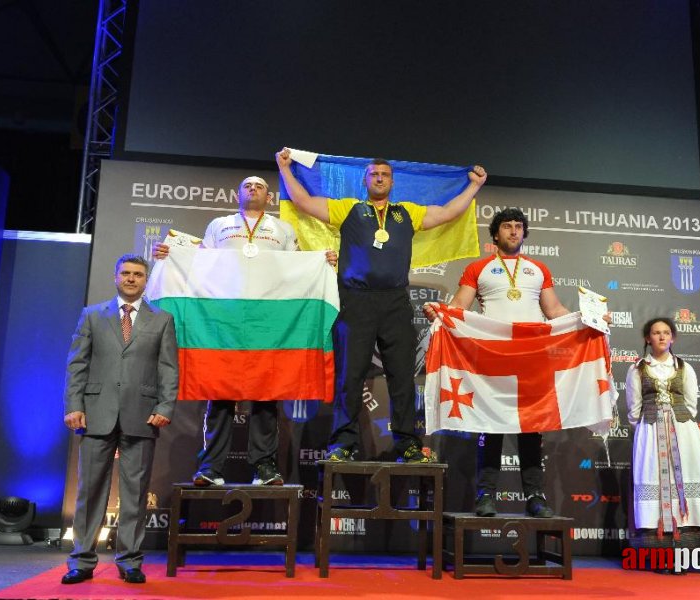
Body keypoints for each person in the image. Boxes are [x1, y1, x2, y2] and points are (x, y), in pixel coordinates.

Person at [276, 147, 486, 462]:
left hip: (395, 302)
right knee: (350, 375)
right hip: (355, 301)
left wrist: (474, 186)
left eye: (384, 175)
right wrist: (285, 169)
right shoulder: (348, 208)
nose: (379, 178)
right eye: (374, 174)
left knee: (402, 375)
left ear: (392, 181)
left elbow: (446, 213)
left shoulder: (407, 212)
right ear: (365, 180)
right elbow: (304, 202)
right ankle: (343, 444)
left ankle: (407, 444)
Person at [154, 176, 336, 488]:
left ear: (269, 197)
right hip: (225, 321)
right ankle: (211, 468)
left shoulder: (283, 229)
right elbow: (201, 264)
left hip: (268, 320)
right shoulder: (219, 225)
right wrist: (169, 256)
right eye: (247, 186)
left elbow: (296, 269)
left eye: (260, 186)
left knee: (267, 394)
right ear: (238, 194)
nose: (253, 189)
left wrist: (322, 262)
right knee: (220, 394)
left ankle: (265, 468)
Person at [422, 208, 576, 517]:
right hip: (492, 360)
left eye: (519, 226)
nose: (514, 231)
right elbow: (459, 308)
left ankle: (535, 497)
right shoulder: (478, 268)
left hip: (532, 359)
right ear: (496, 234)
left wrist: (589, 321)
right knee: (489, 426)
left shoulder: (538, 269)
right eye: (507, 226)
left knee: (532, 430)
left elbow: (555, 310)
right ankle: (485, 496)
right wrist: (439, 312)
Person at [62, 254, 178, 585]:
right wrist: (74, 404)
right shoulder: (92, 315)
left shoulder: (163, 319)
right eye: (125, 273)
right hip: (95, 413)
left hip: (142, 415)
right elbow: (77, 364)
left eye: (137, 274)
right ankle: (82, 561)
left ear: (146, 280)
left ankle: (129, 561)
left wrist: (166, 406)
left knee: (135, 493)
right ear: (115, 277)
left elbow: (168, 369)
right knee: (89, 492)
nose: (130, 279)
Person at [625, 318, 700, 557]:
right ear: (648, 338)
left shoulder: (685, 367)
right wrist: (649, 427)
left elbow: (691, 405)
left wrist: (677, 422)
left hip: (683, 431)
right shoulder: (637, 368)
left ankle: (686, 548)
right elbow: (634, 410)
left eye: (666, 333)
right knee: (653, 478)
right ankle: (659, 550)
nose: (662, 337)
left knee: (684, 478)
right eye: (656, 333)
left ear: (673, 338)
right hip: (651, 429)